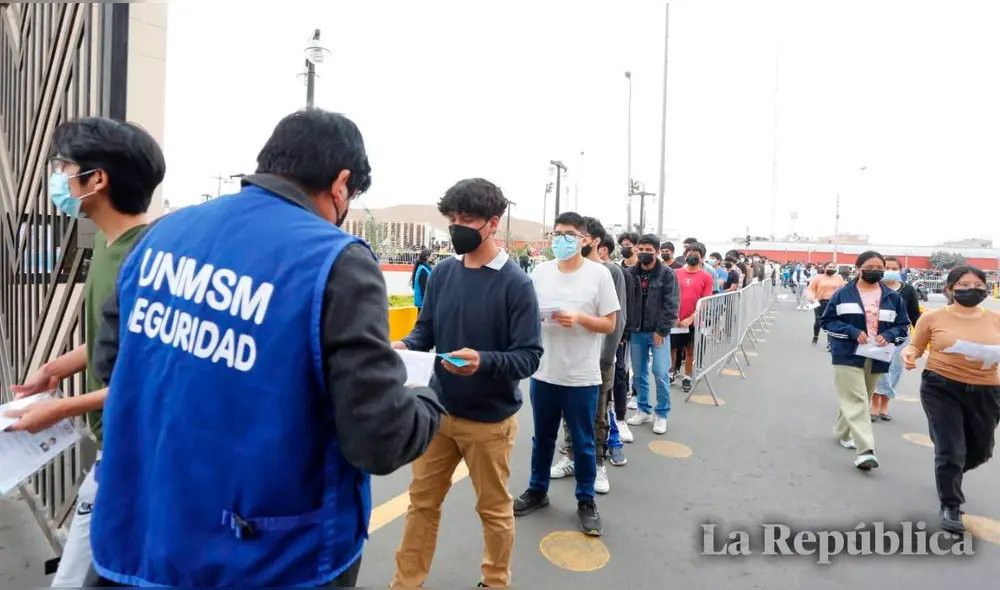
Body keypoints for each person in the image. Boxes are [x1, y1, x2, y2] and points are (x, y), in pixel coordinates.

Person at [83, 109, 444, 587]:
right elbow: (379, 439)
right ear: (341, 185)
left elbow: (112, 362)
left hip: (143, 540)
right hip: (270, 557)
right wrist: (427, 400)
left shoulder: (160, 236)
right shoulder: (335, 261)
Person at [2, 117, 165, 587]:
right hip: (116, 451)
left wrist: (60, 409)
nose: (58, 177)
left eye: (64, 166)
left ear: (97, 179)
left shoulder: (144, 259)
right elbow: (115, 338)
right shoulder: (111, 248)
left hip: (132, 458)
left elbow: (147, 379)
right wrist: (55, 368)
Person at [392, 179, 543, 588]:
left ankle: (494, 581)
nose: (457, 226)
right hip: (438, 414)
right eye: (453, 218)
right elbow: (425, 331)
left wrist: (483, 362)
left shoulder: (517, 284)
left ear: (493, 223)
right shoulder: (443, 273)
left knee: (493, 510)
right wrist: (403, 345)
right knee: (421, 505)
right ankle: (405, 582)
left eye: (468, 219)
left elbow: (529, 356)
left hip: (489, 423)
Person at [513, 212, 619, 537]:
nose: (561, 240)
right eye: (557, 233)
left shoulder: (599, 275)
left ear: (585, 239)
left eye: (569, 234)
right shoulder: (541, 272)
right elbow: (526, 311)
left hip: (581, 376)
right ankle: (537, 489)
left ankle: (586, 500)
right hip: (544, 371)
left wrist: (580, 319)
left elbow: (610, 323)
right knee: (542, 438)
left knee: (583, 442)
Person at [901, 265, 1000, 534]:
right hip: (941, 388)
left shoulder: (996, 319)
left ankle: (949, 471)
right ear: (950, 289)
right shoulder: (932, 318)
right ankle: (951, 505)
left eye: (978, 286)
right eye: (964, 285)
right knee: (951, 450)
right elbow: (915, 346)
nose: (972, 290)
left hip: (987, 391)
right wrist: (909, 354)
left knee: (981, 452)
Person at [551, 219, 628, 489]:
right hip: (568, 355)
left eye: (577, 237)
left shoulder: (610, 272)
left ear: (594, 241)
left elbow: (617, 319)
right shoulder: (566, 270)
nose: (571, 242)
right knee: (568, 413)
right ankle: (571, 456)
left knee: (597, 414)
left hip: (599, 358)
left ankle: (598, 464)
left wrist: (607, 358)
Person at [819, 251, 910, 471]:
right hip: (847, 353)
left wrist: (889, 335)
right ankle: (865, 451)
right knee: (858, 398)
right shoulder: (843, 294)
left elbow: (903, 325)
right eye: (869, 267)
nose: (875, 271)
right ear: (858, 268)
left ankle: (843, 432)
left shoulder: (893, 297)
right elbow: (828, 321)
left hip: (878, 354)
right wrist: (850, 331)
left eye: (880, 267)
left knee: (862, 396)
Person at [625, 234, 680, 434]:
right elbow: (625, 302)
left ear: (657, 252)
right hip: (636, 331)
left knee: (660, 372)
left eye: (649, 250)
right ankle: (644, 410)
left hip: (658, 332)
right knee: (638, 374)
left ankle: (662, 413)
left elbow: (671, 304)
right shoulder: (630, 273)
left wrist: (662, 330)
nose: (644, 253)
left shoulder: (667, 274)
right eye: (641, 249)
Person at [870, 256, 921, 421]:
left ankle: (885, 405)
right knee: (878, 370)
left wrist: (920, 340)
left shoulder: (908, 290)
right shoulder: (873, 287)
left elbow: (914, 315)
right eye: (886, 268)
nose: (890, 271)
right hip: (877, 336)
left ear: (900, 271)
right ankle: (874, 404)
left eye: (894, 268)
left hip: (900, 337)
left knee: (894, 371)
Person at [598, 234, 633, 459]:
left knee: (615, 383)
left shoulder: (615, 272)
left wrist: (622, 335)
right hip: (587, 349)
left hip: (614, 341)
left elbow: (624, 309)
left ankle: (615, 435)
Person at [671, 242, 715, 394]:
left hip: (694, 322)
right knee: (672, 349)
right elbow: (670, 296)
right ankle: (670, 373)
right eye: (690, 253)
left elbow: (705, 300)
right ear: (685, 256)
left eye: (696, 254)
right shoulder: (675, 273)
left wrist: (691, 318)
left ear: (702, 258)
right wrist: (674, 316)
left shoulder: (707, 277)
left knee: (690, 351)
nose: (692, 256)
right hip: (675, 320)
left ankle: (687, 377)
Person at [806, 261, 847, 345]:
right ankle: (815, 336)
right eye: (829, 267)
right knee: (818, 321)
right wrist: (811, 297)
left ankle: (829, 342)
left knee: (832, 321)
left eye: (833, 267)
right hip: (820, 302)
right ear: (824, 268)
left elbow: (843, 289)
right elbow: (810, 289)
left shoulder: (838, 278)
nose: (831, 269)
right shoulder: (818, 278)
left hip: (833, 302)